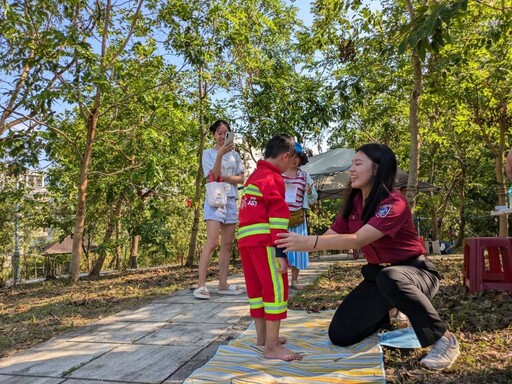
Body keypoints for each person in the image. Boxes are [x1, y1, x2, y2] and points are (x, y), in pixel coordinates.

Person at [276, 143, 460, 370]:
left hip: (416, 274)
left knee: (390, 277)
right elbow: (330, 236)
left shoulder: (394, 203)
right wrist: (287, 247)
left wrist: (308, 241)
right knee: (340, 334)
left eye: (358, 164)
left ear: (377, 168)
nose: (351, 170)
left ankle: (444, 339)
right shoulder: (354, 203)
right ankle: (391, 309)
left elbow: (358, 239)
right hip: (379, 278)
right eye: (352, 164)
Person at [237, 134, 303, 362]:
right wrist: (280, 252)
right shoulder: (274, 179)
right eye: (292, 158)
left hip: (246, 242)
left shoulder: (254, 176)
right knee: (275, 290)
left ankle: (263, 338)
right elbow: (277, 218)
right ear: (286, 156)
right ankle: (272, 347)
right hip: (265, 243)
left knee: (256, 290)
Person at [194, 120, 245, 300]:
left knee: (227, 244)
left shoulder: (236, 156)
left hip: (231, 199)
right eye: (219, 133)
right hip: (215, 199)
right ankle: (201, 285)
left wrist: (224, 177)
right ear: (213, 135)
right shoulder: (208, 153)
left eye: (226, 133)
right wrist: (220, 156)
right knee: (212, 241)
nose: (222, 136)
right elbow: (212, 177)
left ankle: (223, 284)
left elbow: (242, 179)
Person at [282, 142, 318, 290]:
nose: (295, 160)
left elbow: (314, 198)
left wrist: (309, 192)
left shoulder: (305, 176)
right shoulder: (279, 175)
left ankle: (295, 280)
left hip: (298, 217)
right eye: (292, 156)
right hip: (281, 218)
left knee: (297, 248)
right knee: (282, 249)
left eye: (298, 157)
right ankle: (281, 279)